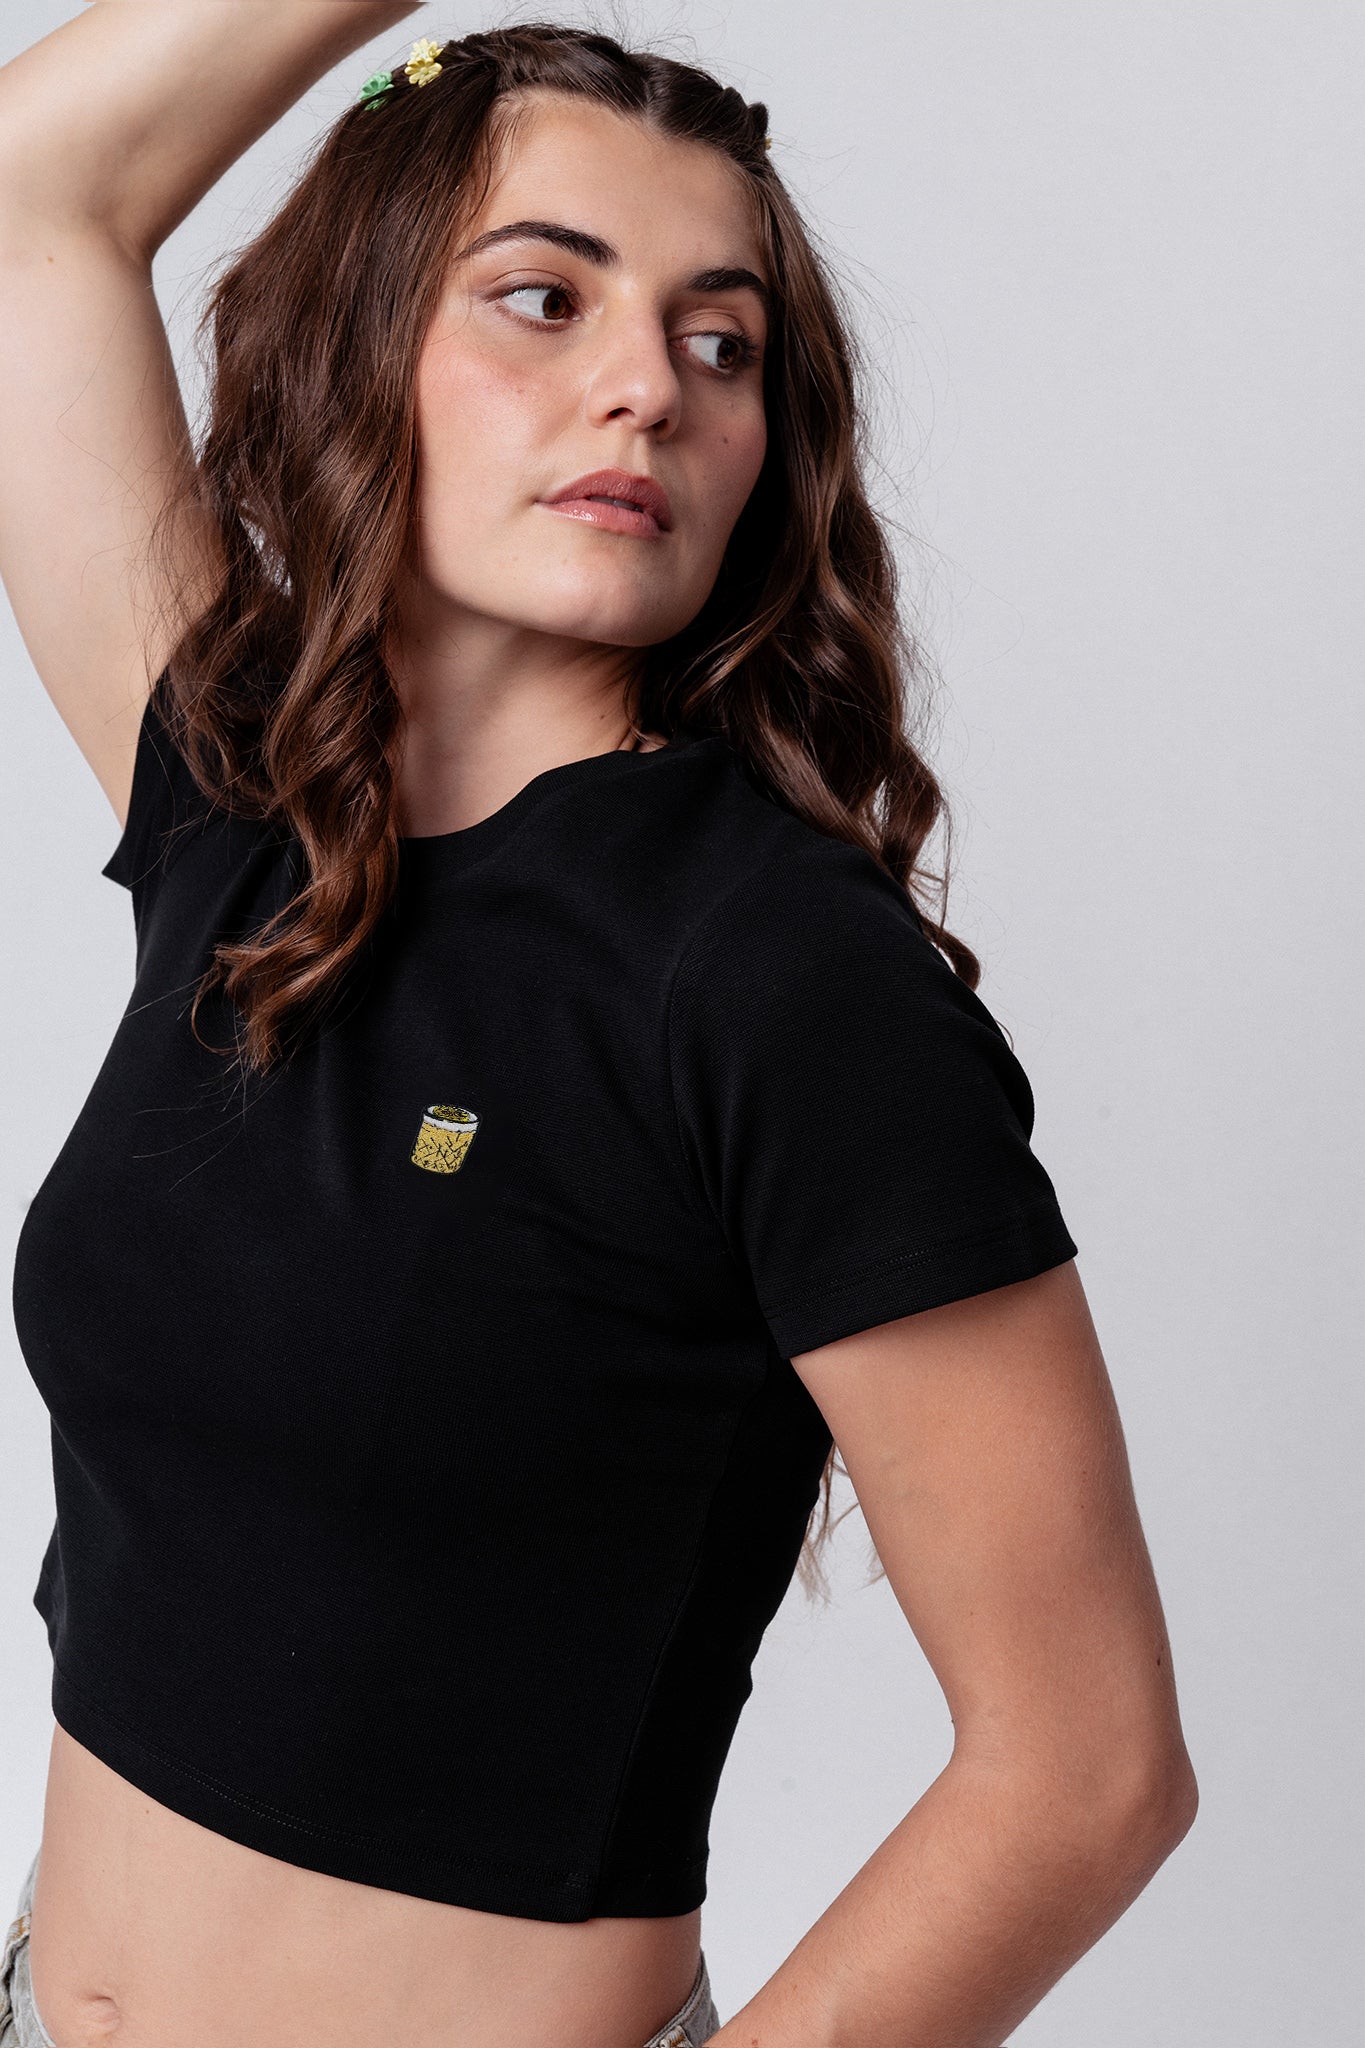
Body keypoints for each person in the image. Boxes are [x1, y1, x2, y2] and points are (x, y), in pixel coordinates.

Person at [0, 5, 1199, 2046]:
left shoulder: (778, 975)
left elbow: (1083, 1773)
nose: (647, 384)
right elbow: (38, 186)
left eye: (720, 343)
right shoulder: (243, 806)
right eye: (542, 299)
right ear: (361, 335)